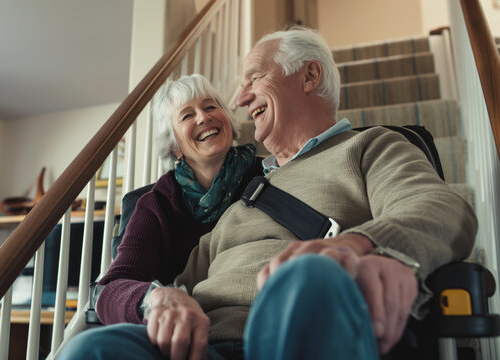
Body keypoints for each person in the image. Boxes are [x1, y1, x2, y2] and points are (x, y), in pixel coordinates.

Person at [62, 27, 477, 360]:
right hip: (201, 346)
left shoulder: (370, 147)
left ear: (310, 76)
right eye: (189, 114)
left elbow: (441, 207)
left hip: (299, 327)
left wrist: (362, 245)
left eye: (254, 78)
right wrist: (163, 301)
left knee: (305, 276)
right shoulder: (245, 195)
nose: (239, 100)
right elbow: (168, 284)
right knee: (91, 349)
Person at [59, 74, 263, 358]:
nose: (204, 118)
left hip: (261, 326)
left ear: (227, 118)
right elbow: (110, 287)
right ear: (175, 146)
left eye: (210, 106)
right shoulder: (155, 204)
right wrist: (155, 299)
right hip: (189, 343)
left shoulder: (268, 177)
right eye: (187, 115)